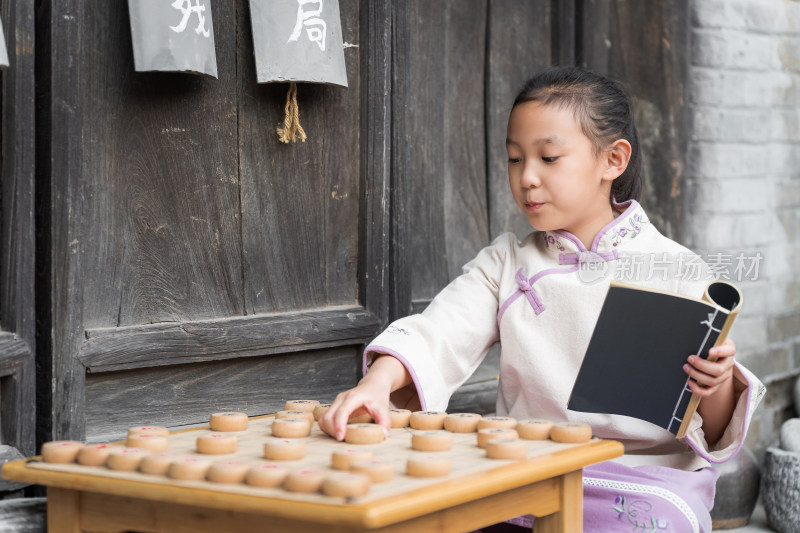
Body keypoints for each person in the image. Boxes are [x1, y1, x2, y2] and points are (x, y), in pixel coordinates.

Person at [319, 66, 764, 532]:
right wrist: (376, 384)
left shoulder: (680, 271)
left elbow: (714, 429)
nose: (527, 177)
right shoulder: (507, 263)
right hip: (526, 467)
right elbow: (441, 330)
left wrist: (717, 383)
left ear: (613, 160)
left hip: (642, 479)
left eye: (548, 158)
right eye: (515, 159)